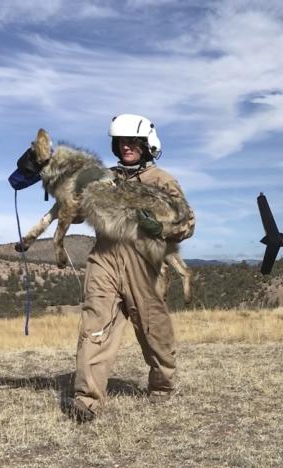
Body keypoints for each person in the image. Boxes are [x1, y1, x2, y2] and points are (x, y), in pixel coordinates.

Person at [70, 114, 195, 423]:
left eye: (133, 142)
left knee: (153, 329)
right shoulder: (103, 177)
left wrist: (160, 229)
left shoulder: (162, 180)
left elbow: (187, 223)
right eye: (121, 142)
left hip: (144, 261)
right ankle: (87, 400)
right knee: (94, 326)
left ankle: (162, 385)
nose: (126, 147)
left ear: (146, 145)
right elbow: (75, 213)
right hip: (105, 257)